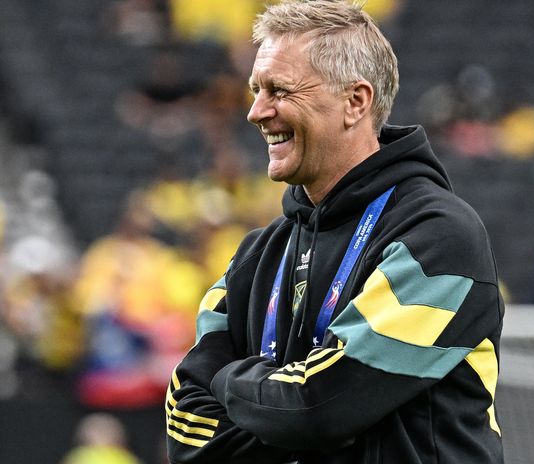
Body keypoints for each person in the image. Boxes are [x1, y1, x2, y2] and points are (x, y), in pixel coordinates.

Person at [165, 2, 505, 463]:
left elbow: (319, 408)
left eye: (279, 90)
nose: (256, 112)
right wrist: (289, 411)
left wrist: (227, 380)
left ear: (355, 102)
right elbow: (186, 432)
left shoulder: (439, 238)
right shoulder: (255, 256)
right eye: (256, 90)